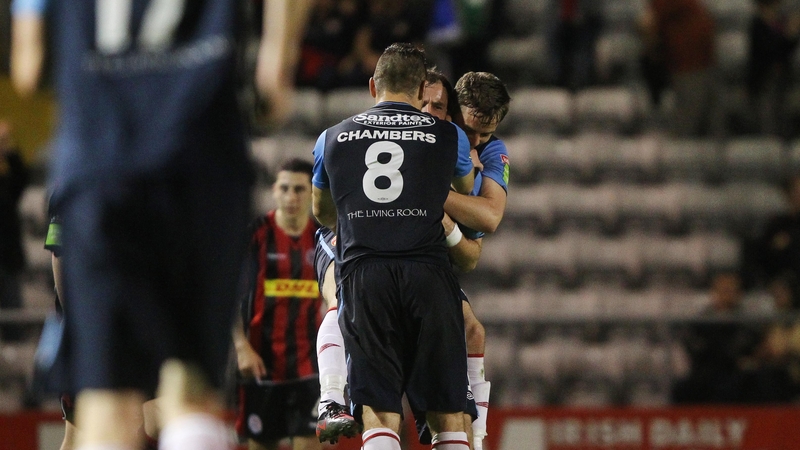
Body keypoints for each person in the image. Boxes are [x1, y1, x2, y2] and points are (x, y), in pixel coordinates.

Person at [10, 1, 313, 449]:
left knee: (108, 403)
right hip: (200, 160)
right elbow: (273, 76)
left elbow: (28, 69)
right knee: (191, 391)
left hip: (100, 166)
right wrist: (277, 56)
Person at [312, 43, 474, 450]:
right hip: (428, 274)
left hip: (366, 274)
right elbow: (464, 191)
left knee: (379, 410)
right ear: (423, 91)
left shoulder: (330, 137)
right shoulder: (448, 135)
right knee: (447, 413)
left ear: (372, 86)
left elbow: (321, 211)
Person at [233, 159, 323, 450]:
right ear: (274, 191)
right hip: (262, 363)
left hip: (310, 366)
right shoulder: (256, 235)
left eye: (299, 189)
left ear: (312, 193)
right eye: (284, 188)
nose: (291, 196)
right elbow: (228, 294)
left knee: (309, 445)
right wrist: (241, 347)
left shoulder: (324, 238)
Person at [639, 0, 715, 137]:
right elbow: (647, 23)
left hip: (702, 62)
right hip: (687, 65)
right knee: (688, 120)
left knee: (706, 120)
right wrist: (654, 54)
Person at [0, 120, 29, 342]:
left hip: (7, 262)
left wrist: (7, 149)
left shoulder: (5, 185)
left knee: (14, 327)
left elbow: (21, 177)